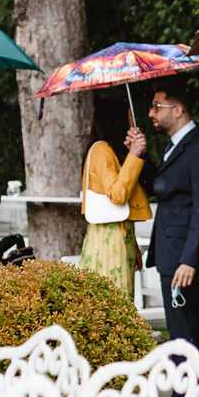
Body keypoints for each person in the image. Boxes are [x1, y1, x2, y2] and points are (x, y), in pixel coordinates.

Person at [141, 83, 199, 354]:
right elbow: (158, 187)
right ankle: (185, 393)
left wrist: (189, 260)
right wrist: (141, 156)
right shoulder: (173, 147)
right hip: (170, 254)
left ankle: (186, 394)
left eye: (156, 106)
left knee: (184, 333)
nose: (151, 113)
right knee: (178, 333)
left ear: (177, 111)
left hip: (182, 260)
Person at [78, 94, 149, 296]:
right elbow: (117, 196)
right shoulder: (101, 150)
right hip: (108, 241)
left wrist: (134, 249)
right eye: (130, 116)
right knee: (115, 302)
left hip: (121, 238)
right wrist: (134, 156)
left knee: (122, 300)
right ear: (118, 119)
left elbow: (124, 206)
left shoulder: (113, 151)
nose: (134, 122)